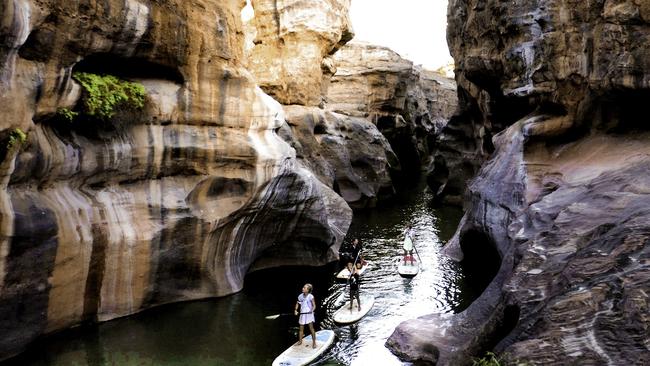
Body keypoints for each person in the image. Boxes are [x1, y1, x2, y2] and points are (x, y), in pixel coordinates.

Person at [295, 283, 317, 348]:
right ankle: (300, 341)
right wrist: (295, 310)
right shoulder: (300, 296)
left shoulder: (311, 296)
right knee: (301, 328)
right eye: (303, 287)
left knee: (311, 328)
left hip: (309, 314)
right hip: (302, 314)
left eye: (304, 288)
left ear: (308, 290)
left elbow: (314, 305)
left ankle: (314, 342)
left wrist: (312, 310)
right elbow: (297, 303)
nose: (303, 288)